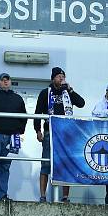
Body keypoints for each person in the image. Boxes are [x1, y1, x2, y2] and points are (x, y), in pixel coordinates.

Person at [34, 66, 85, 203]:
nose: (61, 78)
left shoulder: (68, 93)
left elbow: (81, 103)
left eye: (63, 76)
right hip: (50, 131)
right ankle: (43, 195)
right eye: (58, 76)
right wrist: (37, 130)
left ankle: (65, 197)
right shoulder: (45, 93)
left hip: (67, 133)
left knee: (65, 163)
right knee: (46, 163)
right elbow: (38, 112)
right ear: (53, 78)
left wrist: (70, 90)